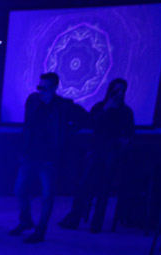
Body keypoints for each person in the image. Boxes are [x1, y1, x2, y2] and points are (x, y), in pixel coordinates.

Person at [11, 72, 86, 243]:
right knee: (19, 189)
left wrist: (69, 133)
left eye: (44, 88)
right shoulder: (33, 101)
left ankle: (41, 230)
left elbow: (85, 119)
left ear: (54, 88)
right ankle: (26, 220)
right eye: (39, 87)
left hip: (50, 158)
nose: (40, 91)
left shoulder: (64, 106)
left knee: (47, 195)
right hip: (30, 155)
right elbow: (27, 126)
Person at [59, 78, 134, 232]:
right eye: (117, 90)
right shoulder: (100, 107)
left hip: (113, 153)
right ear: (110, 91)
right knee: (84, 184)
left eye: (122, 90)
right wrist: (106, 109)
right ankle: (74, 218)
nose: (120, 93)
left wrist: (123, 140)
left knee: (104, 187)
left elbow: (130, 133)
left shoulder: (126, 112)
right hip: (96, 150)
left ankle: (96, 223)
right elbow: (91, 123)